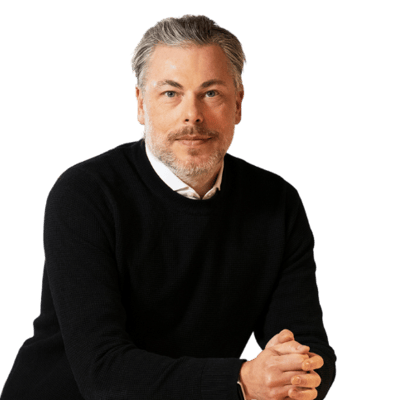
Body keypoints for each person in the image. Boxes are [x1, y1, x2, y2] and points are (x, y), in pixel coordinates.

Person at [1, 14, 336, 400]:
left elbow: (307, 344)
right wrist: (242, 380)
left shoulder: (277, 203)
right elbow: (102, 372)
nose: (192, 115)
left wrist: (298, 376)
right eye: (171, 94)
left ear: (238, 104)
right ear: (141, 105)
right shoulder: (85, 195)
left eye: (211, 93)